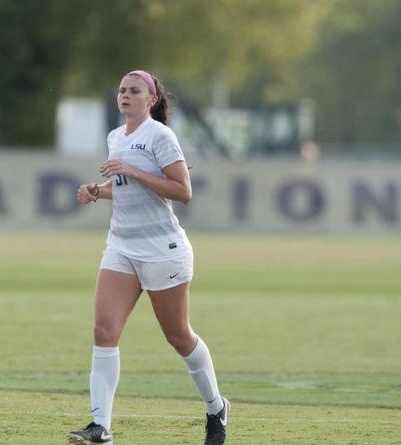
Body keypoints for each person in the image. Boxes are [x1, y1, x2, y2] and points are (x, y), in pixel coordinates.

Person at [67, 70, 229, 445]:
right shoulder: (115, 136)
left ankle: (216, 406)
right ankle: (100, 427)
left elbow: (182, 191)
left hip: (162, 250)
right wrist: (98, 190)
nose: (125, 95)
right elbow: (126, 187)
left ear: (151, 99)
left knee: (178, 337)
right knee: (104, 332)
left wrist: (131, 171)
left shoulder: (160, 136)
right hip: (121, 246)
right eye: (122, 90)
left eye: (134, 90)